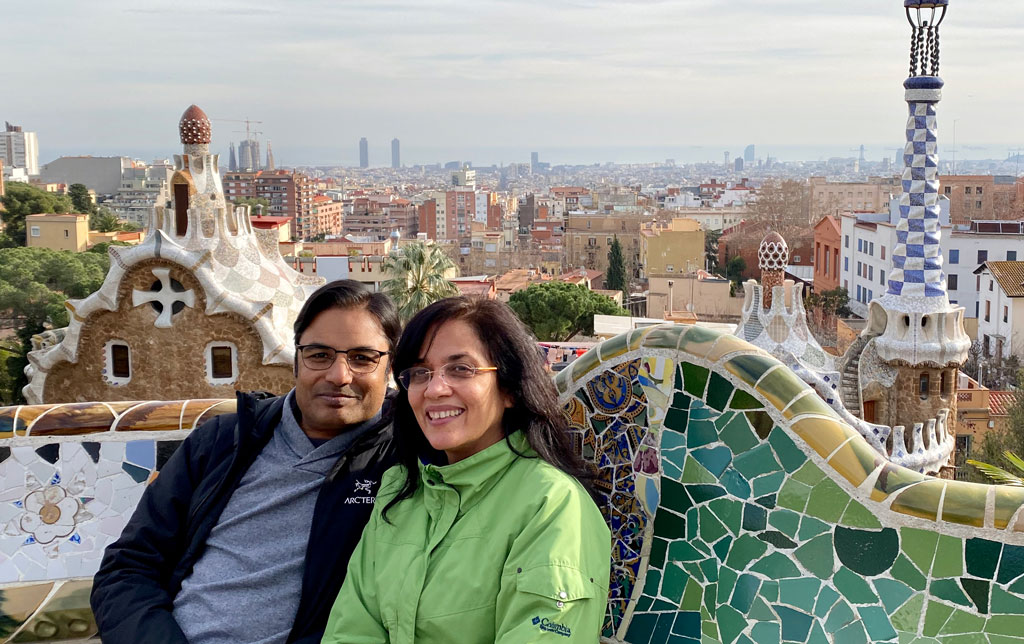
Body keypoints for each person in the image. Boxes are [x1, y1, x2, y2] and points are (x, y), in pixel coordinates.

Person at [91, 280, 402, 644]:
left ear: (390, 367)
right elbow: (128, 567)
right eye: (319, 355)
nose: (339, 376)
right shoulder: (225, 441)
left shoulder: (405, 455)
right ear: (296, 360)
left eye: (363, 358)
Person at [322, 297, 611, 643]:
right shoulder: (399, 490)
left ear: (509, 389)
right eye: (419, 373)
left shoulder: (550, 506)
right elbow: (351, 629)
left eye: (460, 369)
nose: (434, 389)